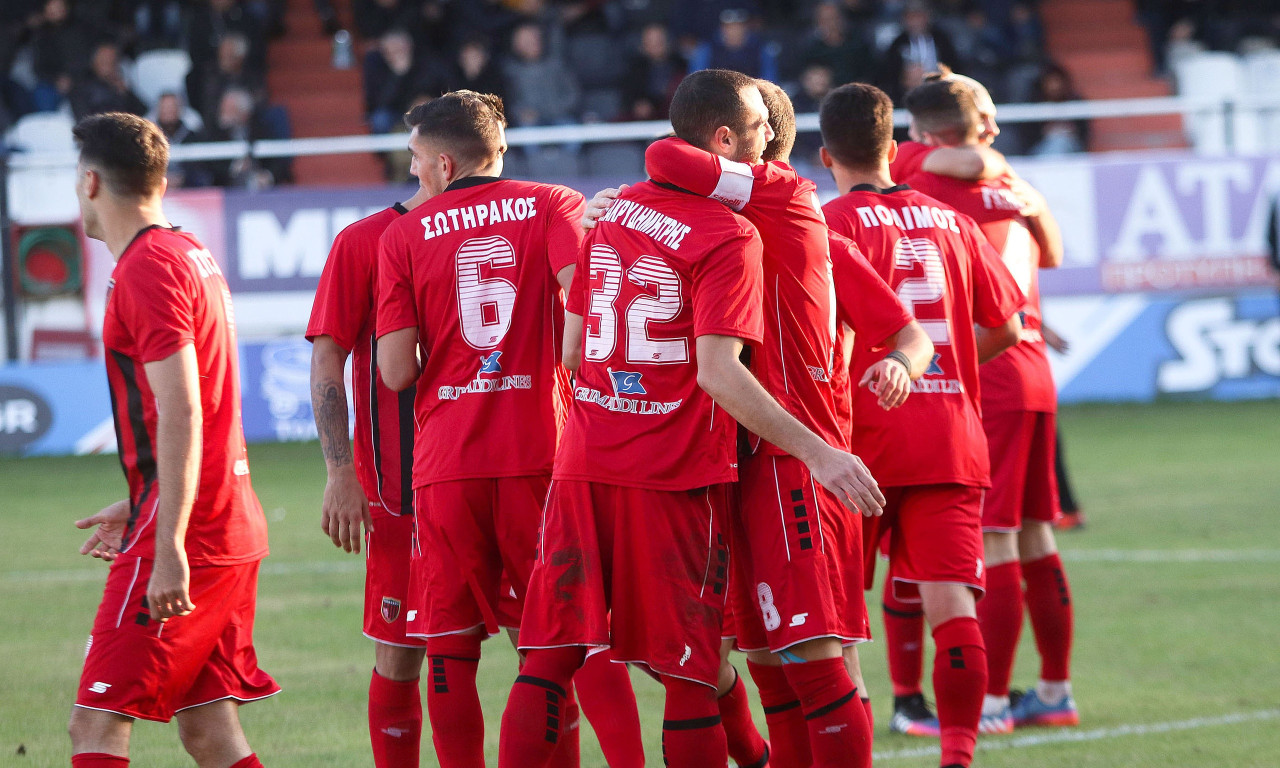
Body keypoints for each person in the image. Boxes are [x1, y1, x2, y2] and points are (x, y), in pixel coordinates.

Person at [499, 68, 885, 768]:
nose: (772, 145)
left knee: (553, 656)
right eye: (760, 132)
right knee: (701, 666)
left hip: (596, 455)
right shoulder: (731, 228)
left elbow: (572, 348)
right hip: (698, 459)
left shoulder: (617, 213)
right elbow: (715, 370)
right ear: (726, 140)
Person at [637, 79, 934, 768]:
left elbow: (664, 156)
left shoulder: (786, 195)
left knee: (816, 655)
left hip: (792, 459)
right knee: (769, 656)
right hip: (730, 456)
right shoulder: (724, 223)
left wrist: (903, 366)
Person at [375, 91, 642, 768]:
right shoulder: (552, 203)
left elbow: (395, 370)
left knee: (450, 646)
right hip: (541, 450)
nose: (412, 173)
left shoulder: (402, 236)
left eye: (413, 160)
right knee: (569, 636)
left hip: (446, 461)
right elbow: (579, 292)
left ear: (442, 162)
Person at [819, 82, 1027, 768]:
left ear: (826, 156)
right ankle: (959, 755)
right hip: (948, 435)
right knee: (953, 608)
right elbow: (1007, 324)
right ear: (895, 149)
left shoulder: (824, 226)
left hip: (856, 445)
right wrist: (954, 365)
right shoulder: (952, 222)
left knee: (839, 627)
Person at [67, 112, 276, 768]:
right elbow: (198, 409)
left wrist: (167, 543)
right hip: (224, 517)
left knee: (96, 724)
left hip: (194, 532)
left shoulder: (147, 267)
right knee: (210, 731)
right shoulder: (187, 252)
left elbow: (183, 407)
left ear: (92, 181)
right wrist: (141, 498)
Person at [896, 77, 1079, 733]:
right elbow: (1052, 253)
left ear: (922, 134)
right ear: (955, 127)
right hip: (1032, 367)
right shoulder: (1017, 189)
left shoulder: (919, 178)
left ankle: (995, 701)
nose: (998, 132)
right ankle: (1054, 691)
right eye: (988, 119)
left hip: (989, 368)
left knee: (994, 540)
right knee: (1036, 533)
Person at [305, 160, 433, 767]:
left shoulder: (518, 221)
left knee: (547, 650)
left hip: (506, 476)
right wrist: (338, 472)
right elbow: (328, 355)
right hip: (399, 490)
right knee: (399, 653)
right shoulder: (363, 242)